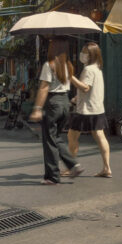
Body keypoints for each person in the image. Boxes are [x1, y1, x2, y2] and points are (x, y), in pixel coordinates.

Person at [28, 37, 81, 185]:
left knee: (49, 141)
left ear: (53, 49)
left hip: (53, 103)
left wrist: (37, 108)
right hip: (65, 103)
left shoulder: (49, 65)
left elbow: (44, 88)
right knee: (55, 138)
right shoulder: (68, 66)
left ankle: (52, 177)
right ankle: (73, 164)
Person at [68, 42, 112, 179]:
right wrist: (77, 97)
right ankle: (107, 168)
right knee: (100, 137)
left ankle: (71, 167)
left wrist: (71, 77)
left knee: (72, 136)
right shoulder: (97, 68)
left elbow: (85, 87)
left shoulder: (88, 70)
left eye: (84, 51)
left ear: (91, 55)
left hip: (85, 110)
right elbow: (90, 89)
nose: (82, 54)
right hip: (97, 108)